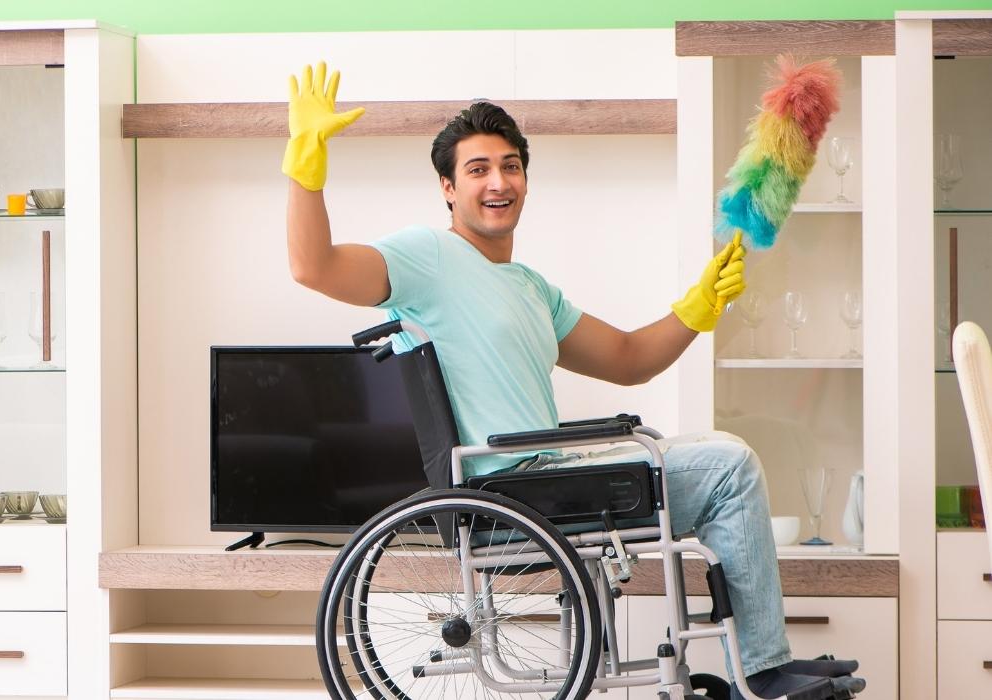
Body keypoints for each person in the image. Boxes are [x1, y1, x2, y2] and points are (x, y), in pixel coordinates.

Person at [281, 62, 863, 700]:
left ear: (526, 180)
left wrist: (700, 307)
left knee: (712, 465)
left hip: (550, 479)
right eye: (477, 170)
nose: (498, 182)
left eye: (510, 166)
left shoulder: (531, 288)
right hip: (512, 490)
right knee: (728, 466)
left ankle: (750, 659)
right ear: (447, 188)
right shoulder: (427, 257)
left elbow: (628, 357)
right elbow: (315, 266)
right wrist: (305, 168)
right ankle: (762, 667)